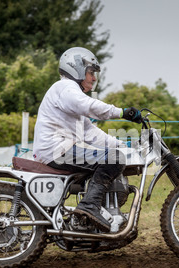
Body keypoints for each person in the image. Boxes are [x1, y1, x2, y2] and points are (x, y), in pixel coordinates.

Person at [32, 47, 142, 232]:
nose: (94, 78)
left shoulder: (70, 95)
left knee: (114, 155)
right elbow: (88, 106)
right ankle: (89, 206)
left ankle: (95, 210)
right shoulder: (65, 88)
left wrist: (123, 144)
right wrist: (121, 112)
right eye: (91, 72)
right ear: (77, 69)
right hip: (56, 150)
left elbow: (90, 133)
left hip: (59, 149)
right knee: (114, 159)